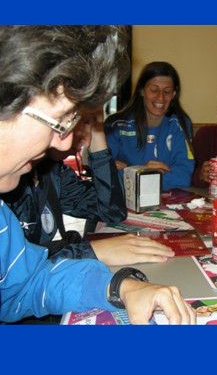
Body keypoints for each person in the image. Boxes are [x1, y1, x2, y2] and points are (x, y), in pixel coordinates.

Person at [0, 26, 195, 324]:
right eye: (59, 120)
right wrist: (90, 249)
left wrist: (119, 287)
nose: (65, 141)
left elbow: (25, 283)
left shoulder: (44, 175)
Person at [1, 107, 175, 266]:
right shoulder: (8, 178)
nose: (84, 137)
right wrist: (93, 251)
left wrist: (98, 135)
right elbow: (16, 272)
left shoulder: (52, 172)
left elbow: (112, 211)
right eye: (74, 121)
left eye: (87, 123)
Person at [105, 61, 195, 191]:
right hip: (125, 200)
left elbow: (183, 177)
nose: (160, 97)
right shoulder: (116, 125)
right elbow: (105, 175)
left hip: (167, 203)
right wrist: (141, 172)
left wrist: (130, 173)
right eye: (154, 90)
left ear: (174, 95)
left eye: (167, 91)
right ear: (141, 91)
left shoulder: (180, 124)